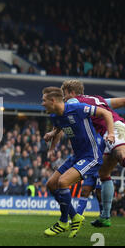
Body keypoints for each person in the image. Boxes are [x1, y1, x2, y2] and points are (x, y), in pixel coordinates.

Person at [48, 79, 125, 227]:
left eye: (65, 94)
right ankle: (105, 216)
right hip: (114, 129)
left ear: (72, 93)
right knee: (104, 174)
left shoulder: (75, 102)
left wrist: (54, 130)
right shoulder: (97, 99)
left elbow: (64, 112)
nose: (64, 98)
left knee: (121, 155)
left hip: (115, 129)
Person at [43, 87, 115, 238]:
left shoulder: (77, 108)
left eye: (44, 100)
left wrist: (112, 133)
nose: (42, 104)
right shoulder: (54, 116)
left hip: (91, 156)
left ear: (53, 100)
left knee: (63, 182)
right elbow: (60, 127)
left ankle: (63, 222)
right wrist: (52, 135)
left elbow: (106, 113)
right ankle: (75, 216)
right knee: (51, 184)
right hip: (77, 156)